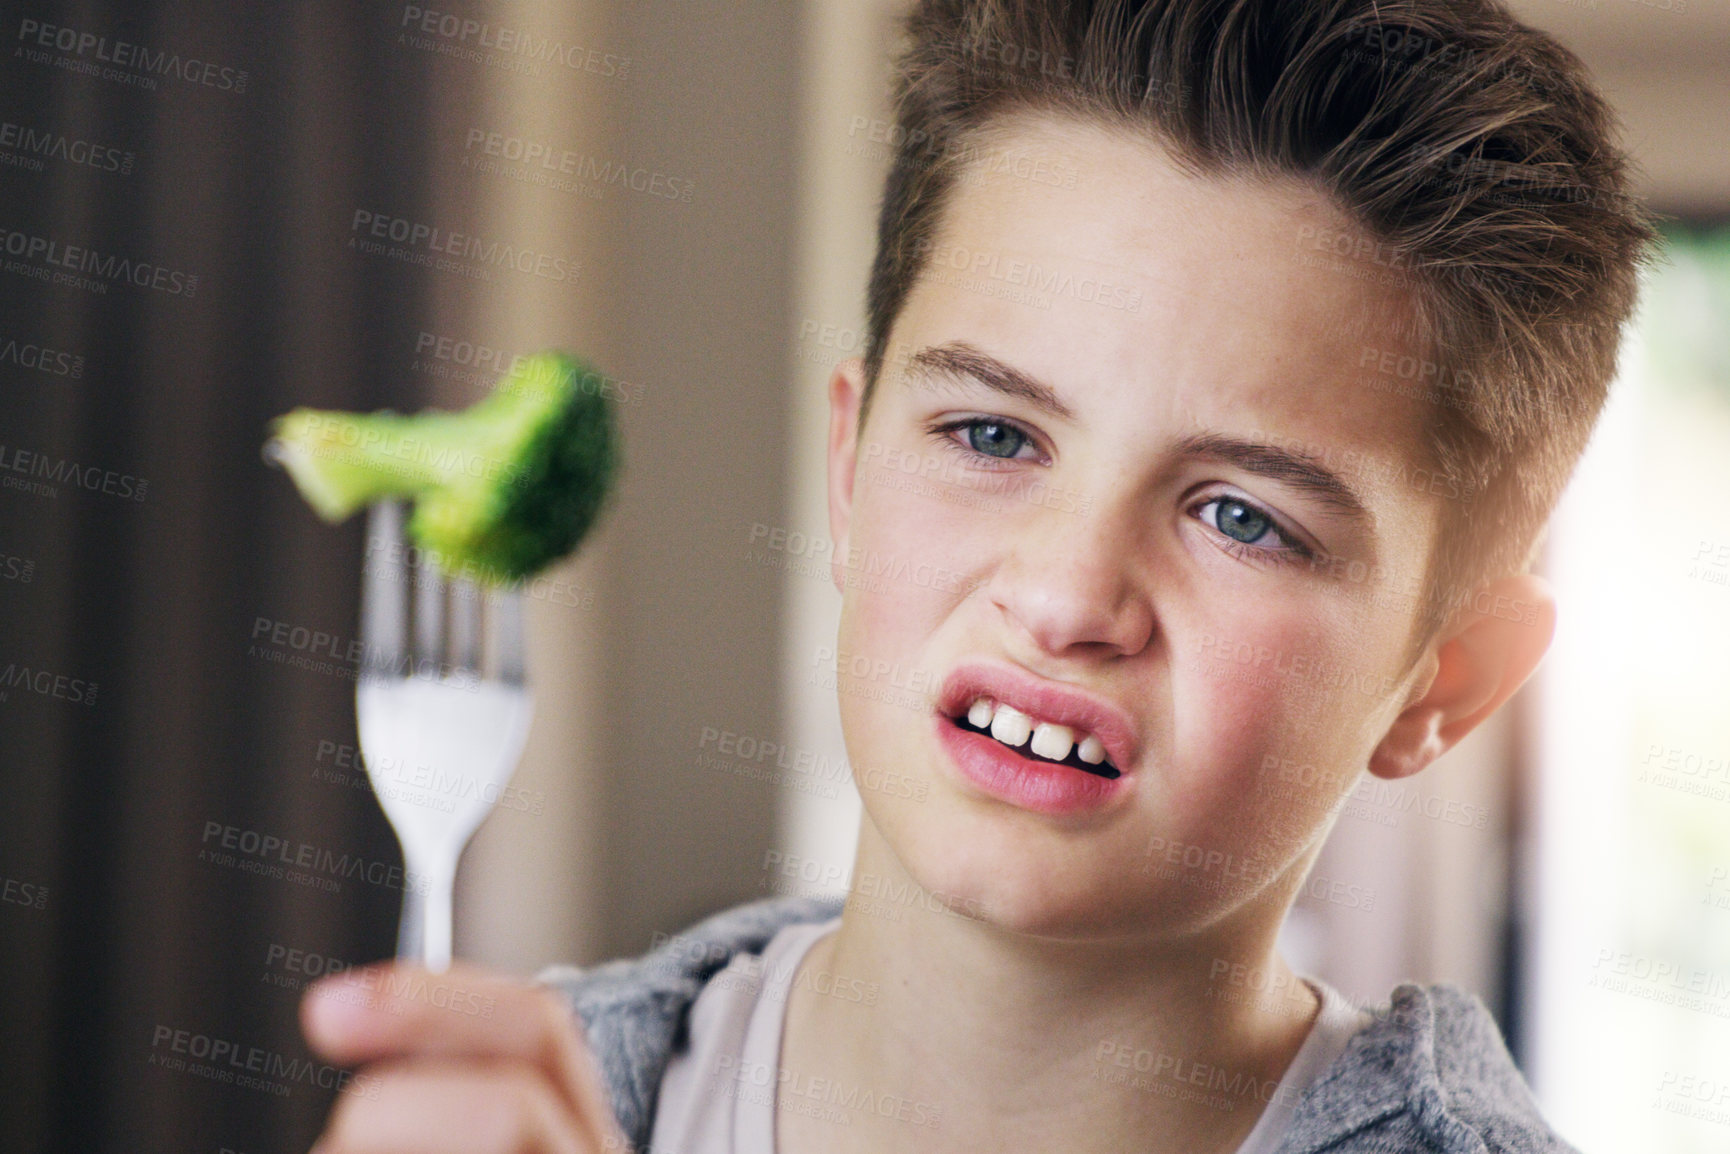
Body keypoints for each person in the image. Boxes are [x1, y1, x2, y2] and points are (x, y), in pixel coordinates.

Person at [298, 1, 1658, 1150]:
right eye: (992, 434)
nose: (1067, 598)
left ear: (1446, 677)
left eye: (1240, 517)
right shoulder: (512, 1107)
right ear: (847, 469)